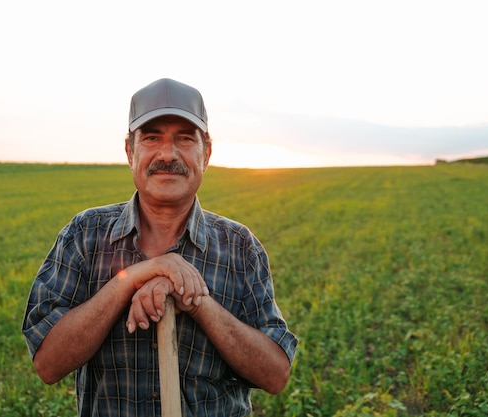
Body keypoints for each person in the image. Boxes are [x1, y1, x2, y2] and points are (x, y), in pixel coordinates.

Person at [22, 78, 298, 417]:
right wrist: (136, 276)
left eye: (184, 138)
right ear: (130, 151)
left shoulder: (240, 247)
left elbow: (275, 374)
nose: (167, 154)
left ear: (206, 152)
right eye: (152, 137)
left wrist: (197, 301)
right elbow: (49, 364)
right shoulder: (85, 234)